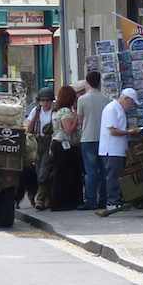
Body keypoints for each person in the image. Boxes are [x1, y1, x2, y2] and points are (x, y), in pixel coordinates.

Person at [96, 88, 141, 215]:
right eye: (131, 103)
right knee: (112, 176)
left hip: (117, 149)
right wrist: (129, 132)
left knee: (115, 176)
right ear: (126, 99)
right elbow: (113, 131)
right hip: (111, 150)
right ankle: (112, 202)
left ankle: (115, 200)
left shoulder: (118, 109)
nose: (131, 106)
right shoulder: (112, 109)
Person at [47, 84, 84, 212]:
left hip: (58, 144)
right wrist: (77, 120)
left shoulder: (57, 111)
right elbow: (68, 130)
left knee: (60, 174)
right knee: (66, 174)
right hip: (64, 146)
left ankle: (58, 202)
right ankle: (64, 202)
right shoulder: (65, 112)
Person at [76, 71, 108, 210]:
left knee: (90, 171)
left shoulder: (82, 99)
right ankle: (103, 199)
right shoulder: (106, 99)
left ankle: (91, 201)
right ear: (99, 82)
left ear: (87, 83)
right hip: (103, 138)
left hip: (87, 137)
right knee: (103, 171)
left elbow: (80, 120)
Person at [26, 87, 56, 209]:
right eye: (43, 101)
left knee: (44, 171)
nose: (45, 103)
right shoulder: (36, 110)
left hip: (50, 142)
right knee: (39, 171)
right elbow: (29, 128)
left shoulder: (55, 111)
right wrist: (35, 115)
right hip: (37, 142)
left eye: (48, 101)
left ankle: (39, 199)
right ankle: (47, 199)